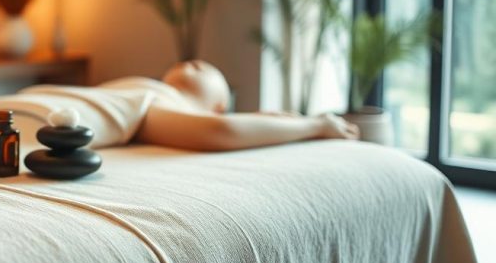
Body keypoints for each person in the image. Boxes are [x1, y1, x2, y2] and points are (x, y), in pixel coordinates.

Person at [110, 60, 360, 151]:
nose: (193, 63)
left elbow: (220, 131)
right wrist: (317, 124)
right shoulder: (152, 93)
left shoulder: (157, 106)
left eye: (205, 68)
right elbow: (221, 128)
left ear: (218, 107)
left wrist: (316, 126)